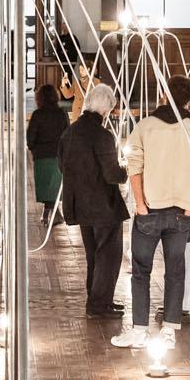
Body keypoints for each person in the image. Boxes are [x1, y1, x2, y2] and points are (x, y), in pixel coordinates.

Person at [111, 75, 190, 349]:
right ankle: (169, 330)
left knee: (141, 271)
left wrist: (140, 203)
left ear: (163, 95)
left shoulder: (146, 127)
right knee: (175, 271)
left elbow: (134, 165)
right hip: (182, 211)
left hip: (150, 209)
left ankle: (140, 330)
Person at [60, 83, 128, 318]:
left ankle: (98, 299)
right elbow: (112, 174)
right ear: (107, 109)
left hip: (80, 204)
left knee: (93, 254)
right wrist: (125, 171)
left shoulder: (70, 132)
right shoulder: (102, 135)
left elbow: (62, 166)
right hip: (103, 206)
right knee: (108, 255)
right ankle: (99, 305)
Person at [28, 83, 67, 226]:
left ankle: (47, 213)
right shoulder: (61, 113)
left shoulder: (38, 115)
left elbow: (31, 136)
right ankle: (52, 212)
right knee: (54, 185)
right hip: (58, 154)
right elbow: (66, 133)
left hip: (42, 155)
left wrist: (33, 148)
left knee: (45, 185)